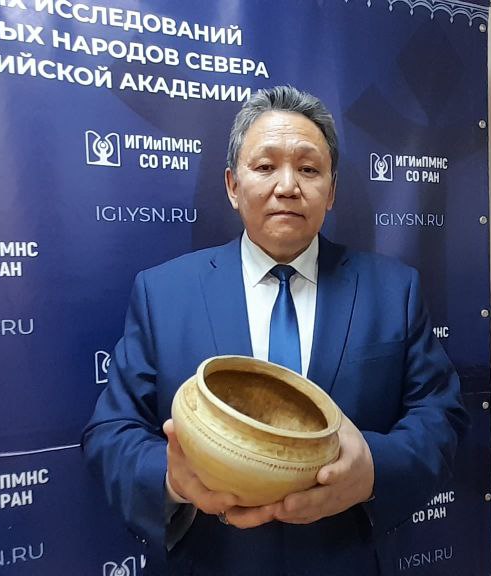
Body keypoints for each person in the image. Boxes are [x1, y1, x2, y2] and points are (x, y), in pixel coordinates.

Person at [82, 86, 468, 576]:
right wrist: (175, 480)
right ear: (232, 185)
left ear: (332, 191)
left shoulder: (394, 291)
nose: (287, 186)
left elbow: (441, 418)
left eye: (308, 169)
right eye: (265, 166)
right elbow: (110, 432)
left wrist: (371, 469)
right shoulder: (164, 293)